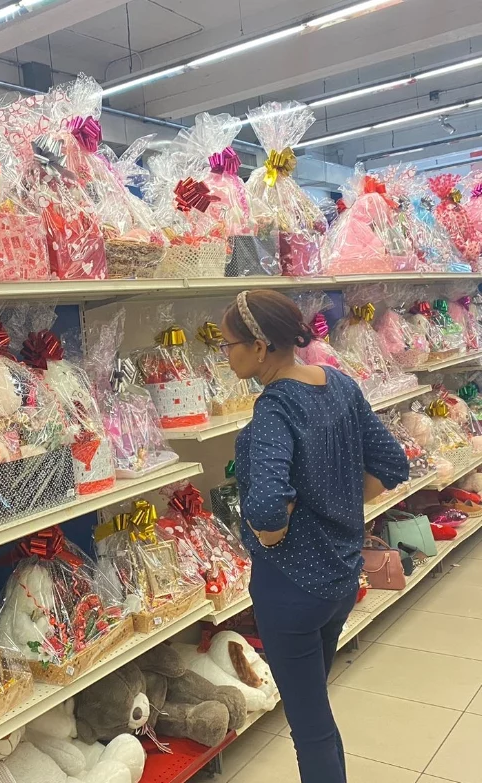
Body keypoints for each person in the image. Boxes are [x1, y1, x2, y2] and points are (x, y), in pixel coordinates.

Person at [220, 290, 409, 783]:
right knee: (313, 704)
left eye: (229, 345)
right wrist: (340, 502)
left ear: (260, 347)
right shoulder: (340, 386)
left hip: (291, 590)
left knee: (311, 726)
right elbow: (393, 463)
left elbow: (264, 510)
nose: (226, 355)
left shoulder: (274, 410)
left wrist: (273, 535)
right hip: (342, 577)